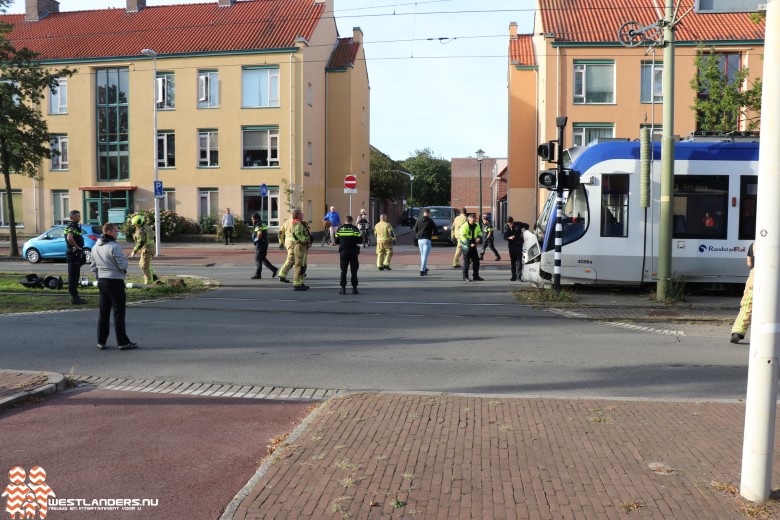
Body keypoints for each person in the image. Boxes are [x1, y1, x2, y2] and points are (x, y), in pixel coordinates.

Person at [90, 222, 137, 350]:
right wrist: (125, 261)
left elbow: (93, 266)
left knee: (103, 312)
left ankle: (101, 341)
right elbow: (122, 265)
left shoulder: (95, 247)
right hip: (115, 281)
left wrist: (98, 278)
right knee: (118, 312)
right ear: (109, 232)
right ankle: (122, 342)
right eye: (116, 231)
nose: (117, 233)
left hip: (102, 281)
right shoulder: (114, 247)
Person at [731, 242, 755, 344]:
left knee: (747, 304)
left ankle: (738, 332)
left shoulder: (755, 244)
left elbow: (749, 262)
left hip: (756, 274)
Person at [130, 215, 161, 285]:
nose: (135, 226)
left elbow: (140, 242)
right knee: (142, 264)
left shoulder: (141, 230)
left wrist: (134, 251)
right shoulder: (147, 227)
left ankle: (148, 283)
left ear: (138, 223)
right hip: (150, 248)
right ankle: (154, 278)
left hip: (147, 249)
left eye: (135, 225)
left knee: (145, 266)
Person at [335, 215, 363, 294]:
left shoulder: (340, 229)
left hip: (343, 252)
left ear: (345, 221)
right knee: (354, 271)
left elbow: (336, 241)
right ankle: (354, 289)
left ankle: (343, 289)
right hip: (353, 252)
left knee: (343, 271)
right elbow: (360, 241)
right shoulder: (355, 229)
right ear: (352, 221)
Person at [64, 210, 87, 304]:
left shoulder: (75, 226)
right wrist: (77, 247)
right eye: (78, 216)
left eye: (79, 216)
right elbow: (69, 238)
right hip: (73, 253)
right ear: (72, 217)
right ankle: (74, 297)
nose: (80, 217)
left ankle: (75, 296)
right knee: (73, 276)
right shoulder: (72, 226)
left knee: (76, 274)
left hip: (76, 253)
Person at [251, 213, 278, 280]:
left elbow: (259, 234)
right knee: (262, 258)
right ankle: (273, 269)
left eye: (253, 219)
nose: (252, 221)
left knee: (258, 258)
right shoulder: (263, 223)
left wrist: (256, 240)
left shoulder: (258, 224)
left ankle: (258, 274)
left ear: (256, 219)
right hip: (265, 243)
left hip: (260, 244)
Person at [291, 209, 312, 291]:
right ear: (297, 215)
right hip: (299, 246)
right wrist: (306, 240)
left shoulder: (301, 223)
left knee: (303, 265)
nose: (302, 214)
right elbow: (297, 234)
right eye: (301, 213)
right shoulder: (298, 223)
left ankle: (301, 282)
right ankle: (297, 284)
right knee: (299, 265)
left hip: (303, 246)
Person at [503, 216, 529, 281]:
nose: (510, 225)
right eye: (508, 224)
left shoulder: (518, 224)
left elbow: (527, 225)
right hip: (511, 245)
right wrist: (509, 238)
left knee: (519, 261)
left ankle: (519, 277)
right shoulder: (506, 227)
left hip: (518, 244)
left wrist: (524, 233)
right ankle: (513, 276)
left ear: (513, 221)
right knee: (513, 261)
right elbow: (505, 236)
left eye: (511, 223)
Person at [413, 208, 437, 276]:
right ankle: (422, 270)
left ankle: (425, 268)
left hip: (420, 240)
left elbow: (415, 230)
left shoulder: (418, 220)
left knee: (422, 255)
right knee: (425, 256)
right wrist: (432, 234)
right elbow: (435, 229)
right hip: (427, 240)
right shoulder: (430, 221)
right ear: (428, 213)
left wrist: (418, 235)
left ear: (423, 213)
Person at [460, 213, 484, 281]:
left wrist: (479, 237)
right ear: (469, 220)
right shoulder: (464, 226)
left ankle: (476, 276)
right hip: (466, 246)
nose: (474, 222)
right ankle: (465, 277)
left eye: (475, 221)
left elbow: (479, 232)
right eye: (472, 221)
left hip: (474, 245)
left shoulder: (477, 225)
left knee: (476, 261)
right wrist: (469, 244)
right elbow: (462, 237)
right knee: (466, 262)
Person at [276, 215, 295, 283]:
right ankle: (282, 274)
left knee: (296, 259)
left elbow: (280, 232)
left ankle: (300, 272)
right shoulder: (296, 222)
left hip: (288, 243)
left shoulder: (286, 222)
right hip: (293, 243)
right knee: (291, 259)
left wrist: (281, 242)